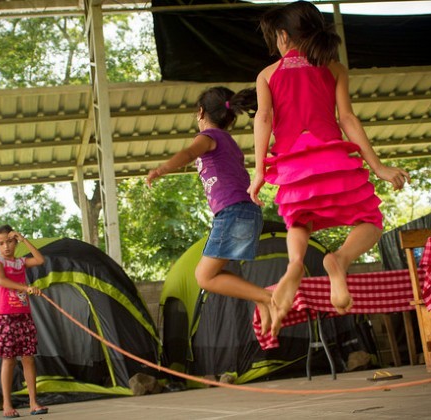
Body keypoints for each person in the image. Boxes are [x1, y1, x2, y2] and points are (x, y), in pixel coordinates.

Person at [248, 1, 411, 337]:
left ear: (282, 36)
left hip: (293, 164)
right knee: (370, 222)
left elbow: (263, 119)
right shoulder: (334, 68)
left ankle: (295, 265)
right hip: (332, 159)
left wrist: (259, 171)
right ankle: (340, 259)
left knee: (299, 222)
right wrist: (377, 166)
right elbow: (347, 119)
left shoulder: (267, 75)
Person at [146, 86, 278, 333]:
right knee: (215, 274)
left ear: (200, 112)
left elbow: (188, 153)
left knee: (204, 277)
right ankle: (263, 300)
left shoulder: (209, 138)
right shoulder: (229, 144)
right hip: (243, 213)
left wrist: (162, 169)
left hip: (234, 213)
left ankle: (267, 298)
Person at [0, 225, 48, 418]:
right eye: (1, 243)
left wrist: (24, 239)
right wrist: (26, 288)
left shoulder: (21, 262)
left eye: (9, 241)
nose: (6, 246)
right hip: (7, 316)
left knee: (28, 359)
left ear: (14, 242)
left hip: (24, 314)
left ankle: (33, 403)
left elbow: (40, 260)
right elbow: (1, 281)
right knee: (9, 360)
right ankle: (7, 404)